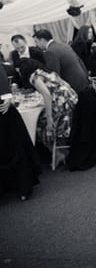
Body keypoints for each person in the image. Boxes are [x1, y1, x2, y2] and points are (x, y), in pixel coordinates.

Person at [33, 29, 96, 171]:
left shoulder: (50, 51)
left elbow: (54, 78)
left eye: (36, 41)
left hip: (77, 91)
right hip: (86, 88)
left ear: (41, 40)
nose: (37, 45)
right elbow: (81, 64)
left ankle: (56, 152)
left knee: (77, 126)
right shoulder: (63, 46)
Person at [16, 58, 78, 163]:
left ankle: (57, 153)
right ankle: (60, 150)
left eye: (19, 71)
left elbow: (47, 95)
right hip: (70, 98)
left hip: (62, 104)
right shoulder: (43, 71)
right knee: (44, 120)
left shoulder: (34, 77)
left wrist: (49, 118)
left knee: (39, 126)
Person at [0, 64, 42, 201]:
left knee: (14, 148)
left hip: (3, 111)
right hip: (4, 110)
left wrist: (6, 95)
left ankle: (22, 187)